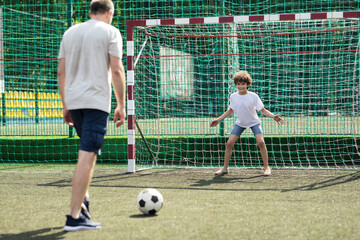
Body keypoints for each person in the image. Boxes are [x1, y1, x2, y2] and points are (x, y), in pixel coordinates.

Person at [57, 0, 126, 231]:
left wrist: (66, 104)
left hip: (75, 102)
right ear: (110, 13)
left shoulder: (70, 32)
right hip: (96, 102)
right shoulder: (111, 31)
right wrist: (121, 104)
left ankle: (83, 206)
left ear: (89, 12)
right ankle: (73, 217)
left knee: (87, 154)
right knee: (87, 156)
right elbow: (116, 70)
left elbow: (61, 72)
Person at [210, 71, 283, 176]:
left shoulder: (253, 96)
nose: (240, 86)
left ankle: (266, 167)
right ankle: (225, 168)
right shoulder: (233, 96)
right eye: (238, 84)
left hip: (254, 123)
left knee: (261, 142)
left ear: (248, 84)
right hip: (240, 123)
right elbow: (231, 110)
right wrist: (219, 119)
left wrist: (273, 117)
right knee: (229, 143)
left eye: (243, 84)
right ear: (236, 84)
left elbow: (262, 110)